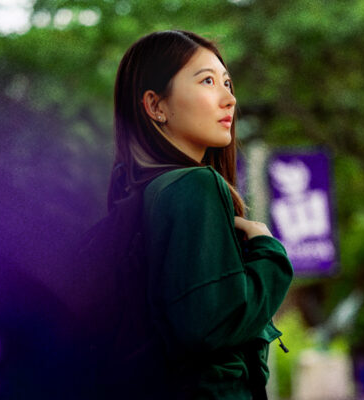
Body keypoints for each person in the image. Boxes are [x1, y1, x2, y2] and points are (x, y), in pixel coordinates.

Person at [107, 30, 294, 400]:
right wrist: (268, 252)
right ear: (155, 106)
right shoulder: (192, 185)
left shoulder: (138, 198)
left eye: (227, 82)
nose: (229, 99)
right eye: (207, 81)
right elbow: (211, 325)